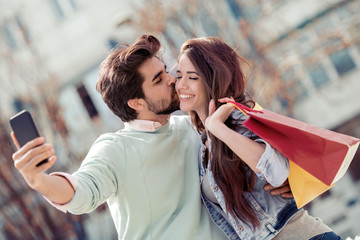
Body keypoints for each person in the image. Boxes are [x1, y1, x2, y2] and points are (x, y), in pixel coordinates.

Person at [11, 35, 291, 240]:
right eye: (158, 79)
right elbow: (81, 192)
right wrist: (40, 181)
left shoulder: (194, 128)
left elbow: (252, 165)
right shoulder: (115, 149)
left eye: (166, 71)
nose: (172, 80)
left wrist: (290, 182)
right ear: (136, 103)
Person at [175, 37, 342, 240]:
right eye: (178, 75)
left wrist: (218, 128)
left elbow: (278, 173)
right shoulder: (202, 144)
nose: (180, 85)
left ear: (212, 79)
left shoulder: (239, 119)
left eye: (192, 78)